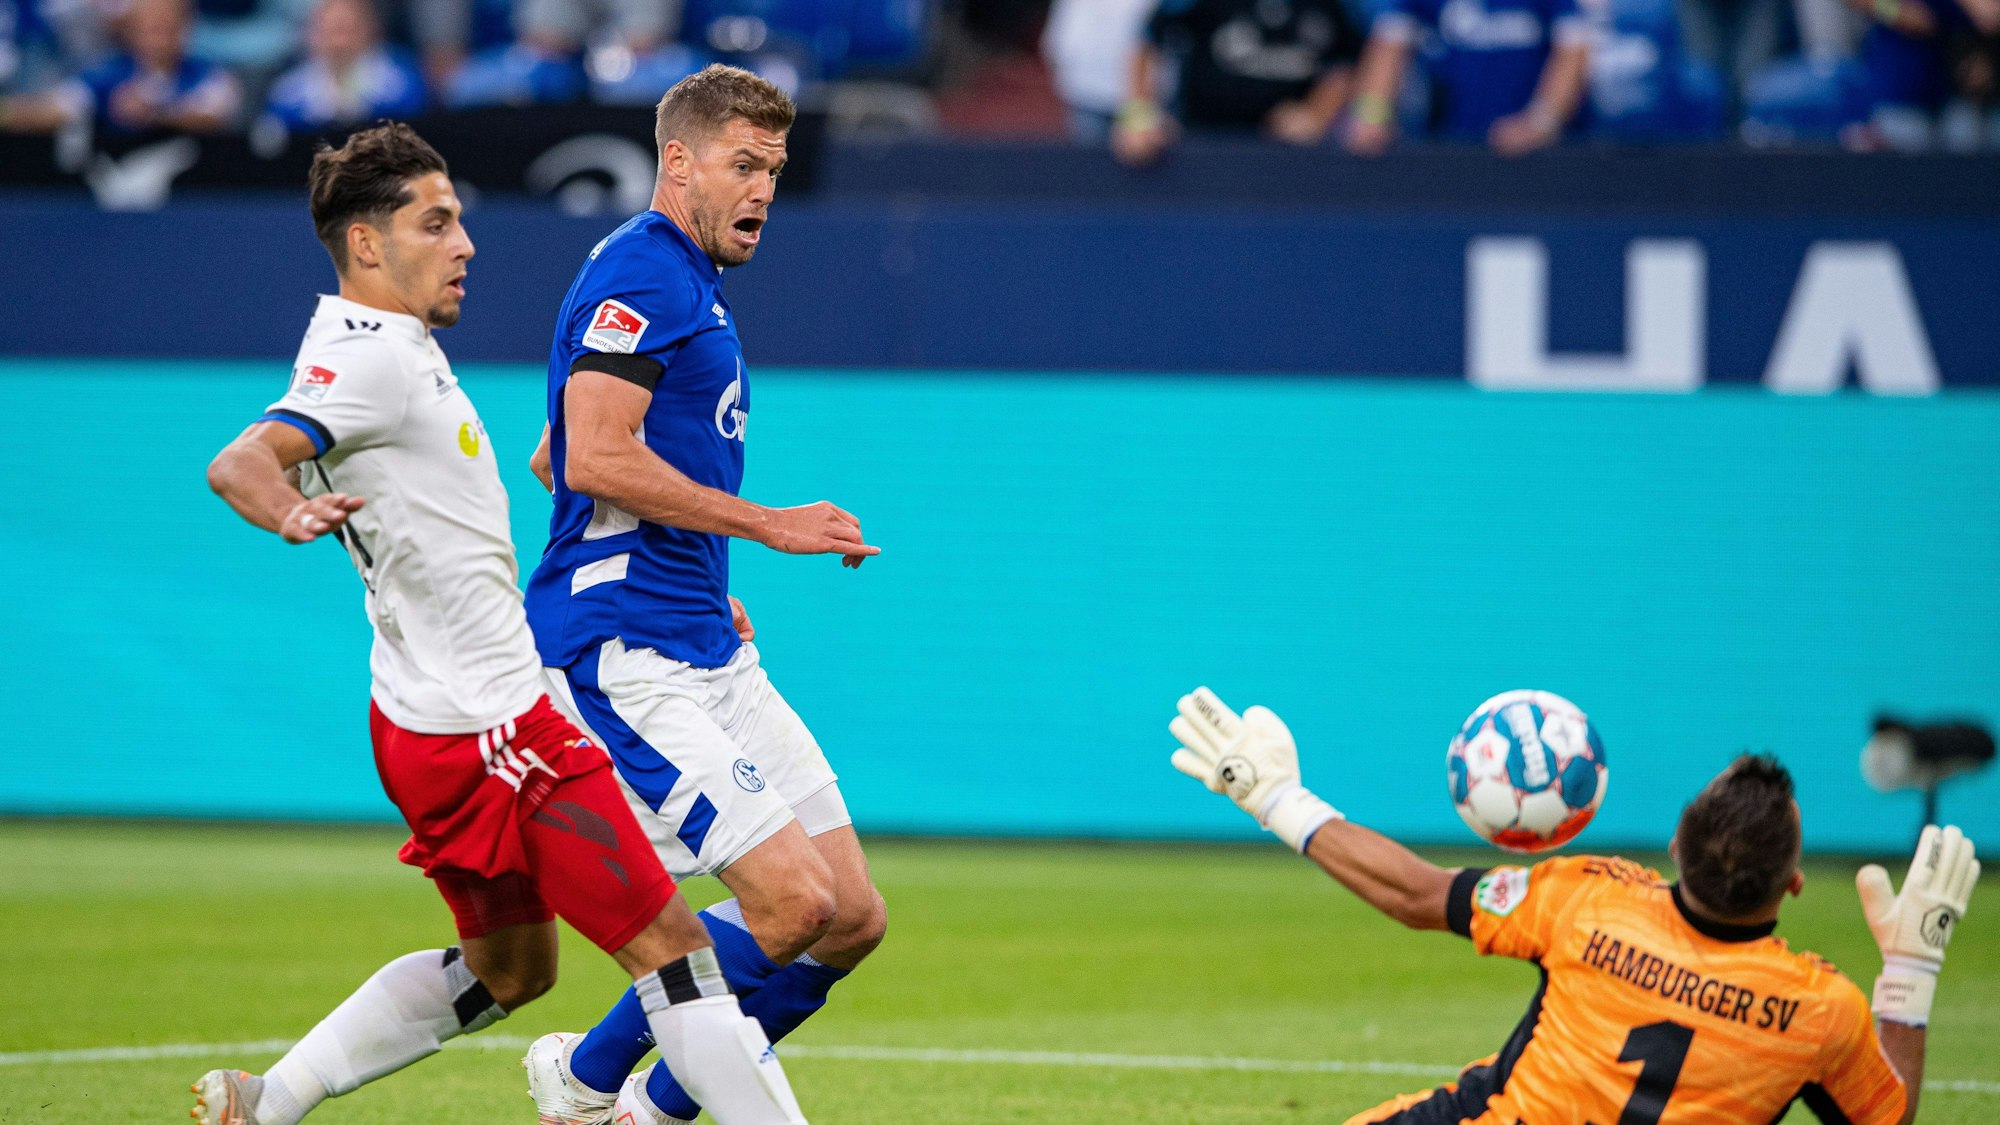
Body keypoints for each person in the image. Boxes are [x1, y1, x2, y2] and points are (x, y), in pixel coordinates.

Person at [194, 121, 809, 1125]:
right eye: (435, 224)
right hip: (498, 733)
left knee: (509, 970)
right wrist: (287, 507)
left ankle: (264, 1103)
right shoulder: (373, 363)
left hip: (417, 724)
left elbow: (536, 465)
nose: (464, 244)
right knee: (680, 959)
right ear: (365, 245)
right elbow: (242, 461)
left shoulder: (380, 348)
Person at [519, 64, 887, 1125]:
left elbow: (552, 451)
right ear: (675, 162)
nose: (762, 188)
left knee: (850, 917)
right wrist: (766, 527)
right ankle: (588, 1082)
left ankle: (641, 1106)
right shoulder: (645, 274)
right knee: (789, 902)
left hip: (695, 633)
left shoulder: (682, 279)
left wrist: (693, 567)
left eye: (772, 167)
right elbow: (589, 455)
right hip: (628, 649)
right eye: (742, 164)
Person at [1167, 686, 1979, 1123]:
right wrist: (1909, 971)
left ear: (1674, 846)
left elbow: (1415, 893)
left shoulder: (1588, 900)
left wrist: (1274, 795)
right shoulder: (1822, 1010)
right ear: (1794, 882)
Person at [1112, 0, 1364, 164]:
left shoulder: (1335, 6)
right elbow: (1146, 41)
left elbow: (1345, 62)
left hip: (1287, 156)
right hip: (1201, 145)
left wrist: (1315, 114)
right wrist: (1139, 116)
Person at [1343, 0, 1594, 155]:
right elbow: (1390, 43)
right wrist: (1371, 117)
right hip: (1451, 143)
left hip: (1537, 153)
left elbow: (1573, 50)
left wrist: (1540, 122)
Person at [0, 0, 238, 135]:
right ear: (132, 33)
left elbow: (213, 114)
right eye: (151, 30)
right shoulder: (108, 75)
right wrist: (8, 112)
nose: (159, 40)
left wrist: (154, 114)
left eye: (168, 29)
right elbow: (59, 108)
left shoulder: (207, 74)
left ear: (186, 30)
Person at [263, 0, 425, 133]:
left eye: (347, 31)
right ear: (313, 36)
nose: (339, 43)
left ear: (368, 31)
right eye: (330, 31)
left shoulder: (401, 85)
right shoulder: (287, 94)